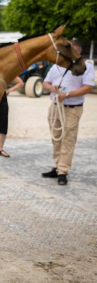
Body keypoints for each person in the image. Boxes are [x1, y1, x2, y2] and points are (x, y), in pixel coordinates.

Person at [41, 41, 95, 185]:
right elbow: (45, 83)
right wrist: (51, 87)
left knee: (68, 139)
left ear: (78, 52)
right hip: (55, 106)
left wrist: (68, 94)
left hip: (72, 108)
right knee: (56, 137)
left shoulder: (86, 67)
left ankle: (63, 171)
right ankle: (58, 166)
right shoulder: (56, 66)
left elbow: (88, 87)